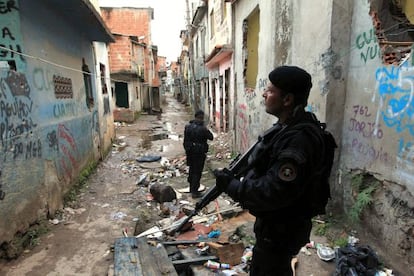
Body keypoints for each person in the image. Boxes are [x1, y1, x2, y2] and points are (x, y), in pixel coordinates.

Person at [214, 65, 335, 275]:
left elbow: (272, 191)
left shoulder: (298, 140)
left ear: (287, 100)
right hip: (278, 227)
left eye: (270, 91)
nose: (263, 94)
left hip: (283, 230)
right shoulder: (286, 128)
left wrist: (232, 186)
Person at [183, 110, 214, 198]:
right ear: (202, 117)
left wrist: (187, 150)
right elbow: (211, 137)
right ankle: (195, 192)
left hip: (190, 152)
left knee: (192, 170)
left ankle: (191, 188)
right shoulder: (203, 128)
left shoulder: (188, 127)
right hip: (199, 153)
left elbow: (185, 141)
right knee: (197, 172)